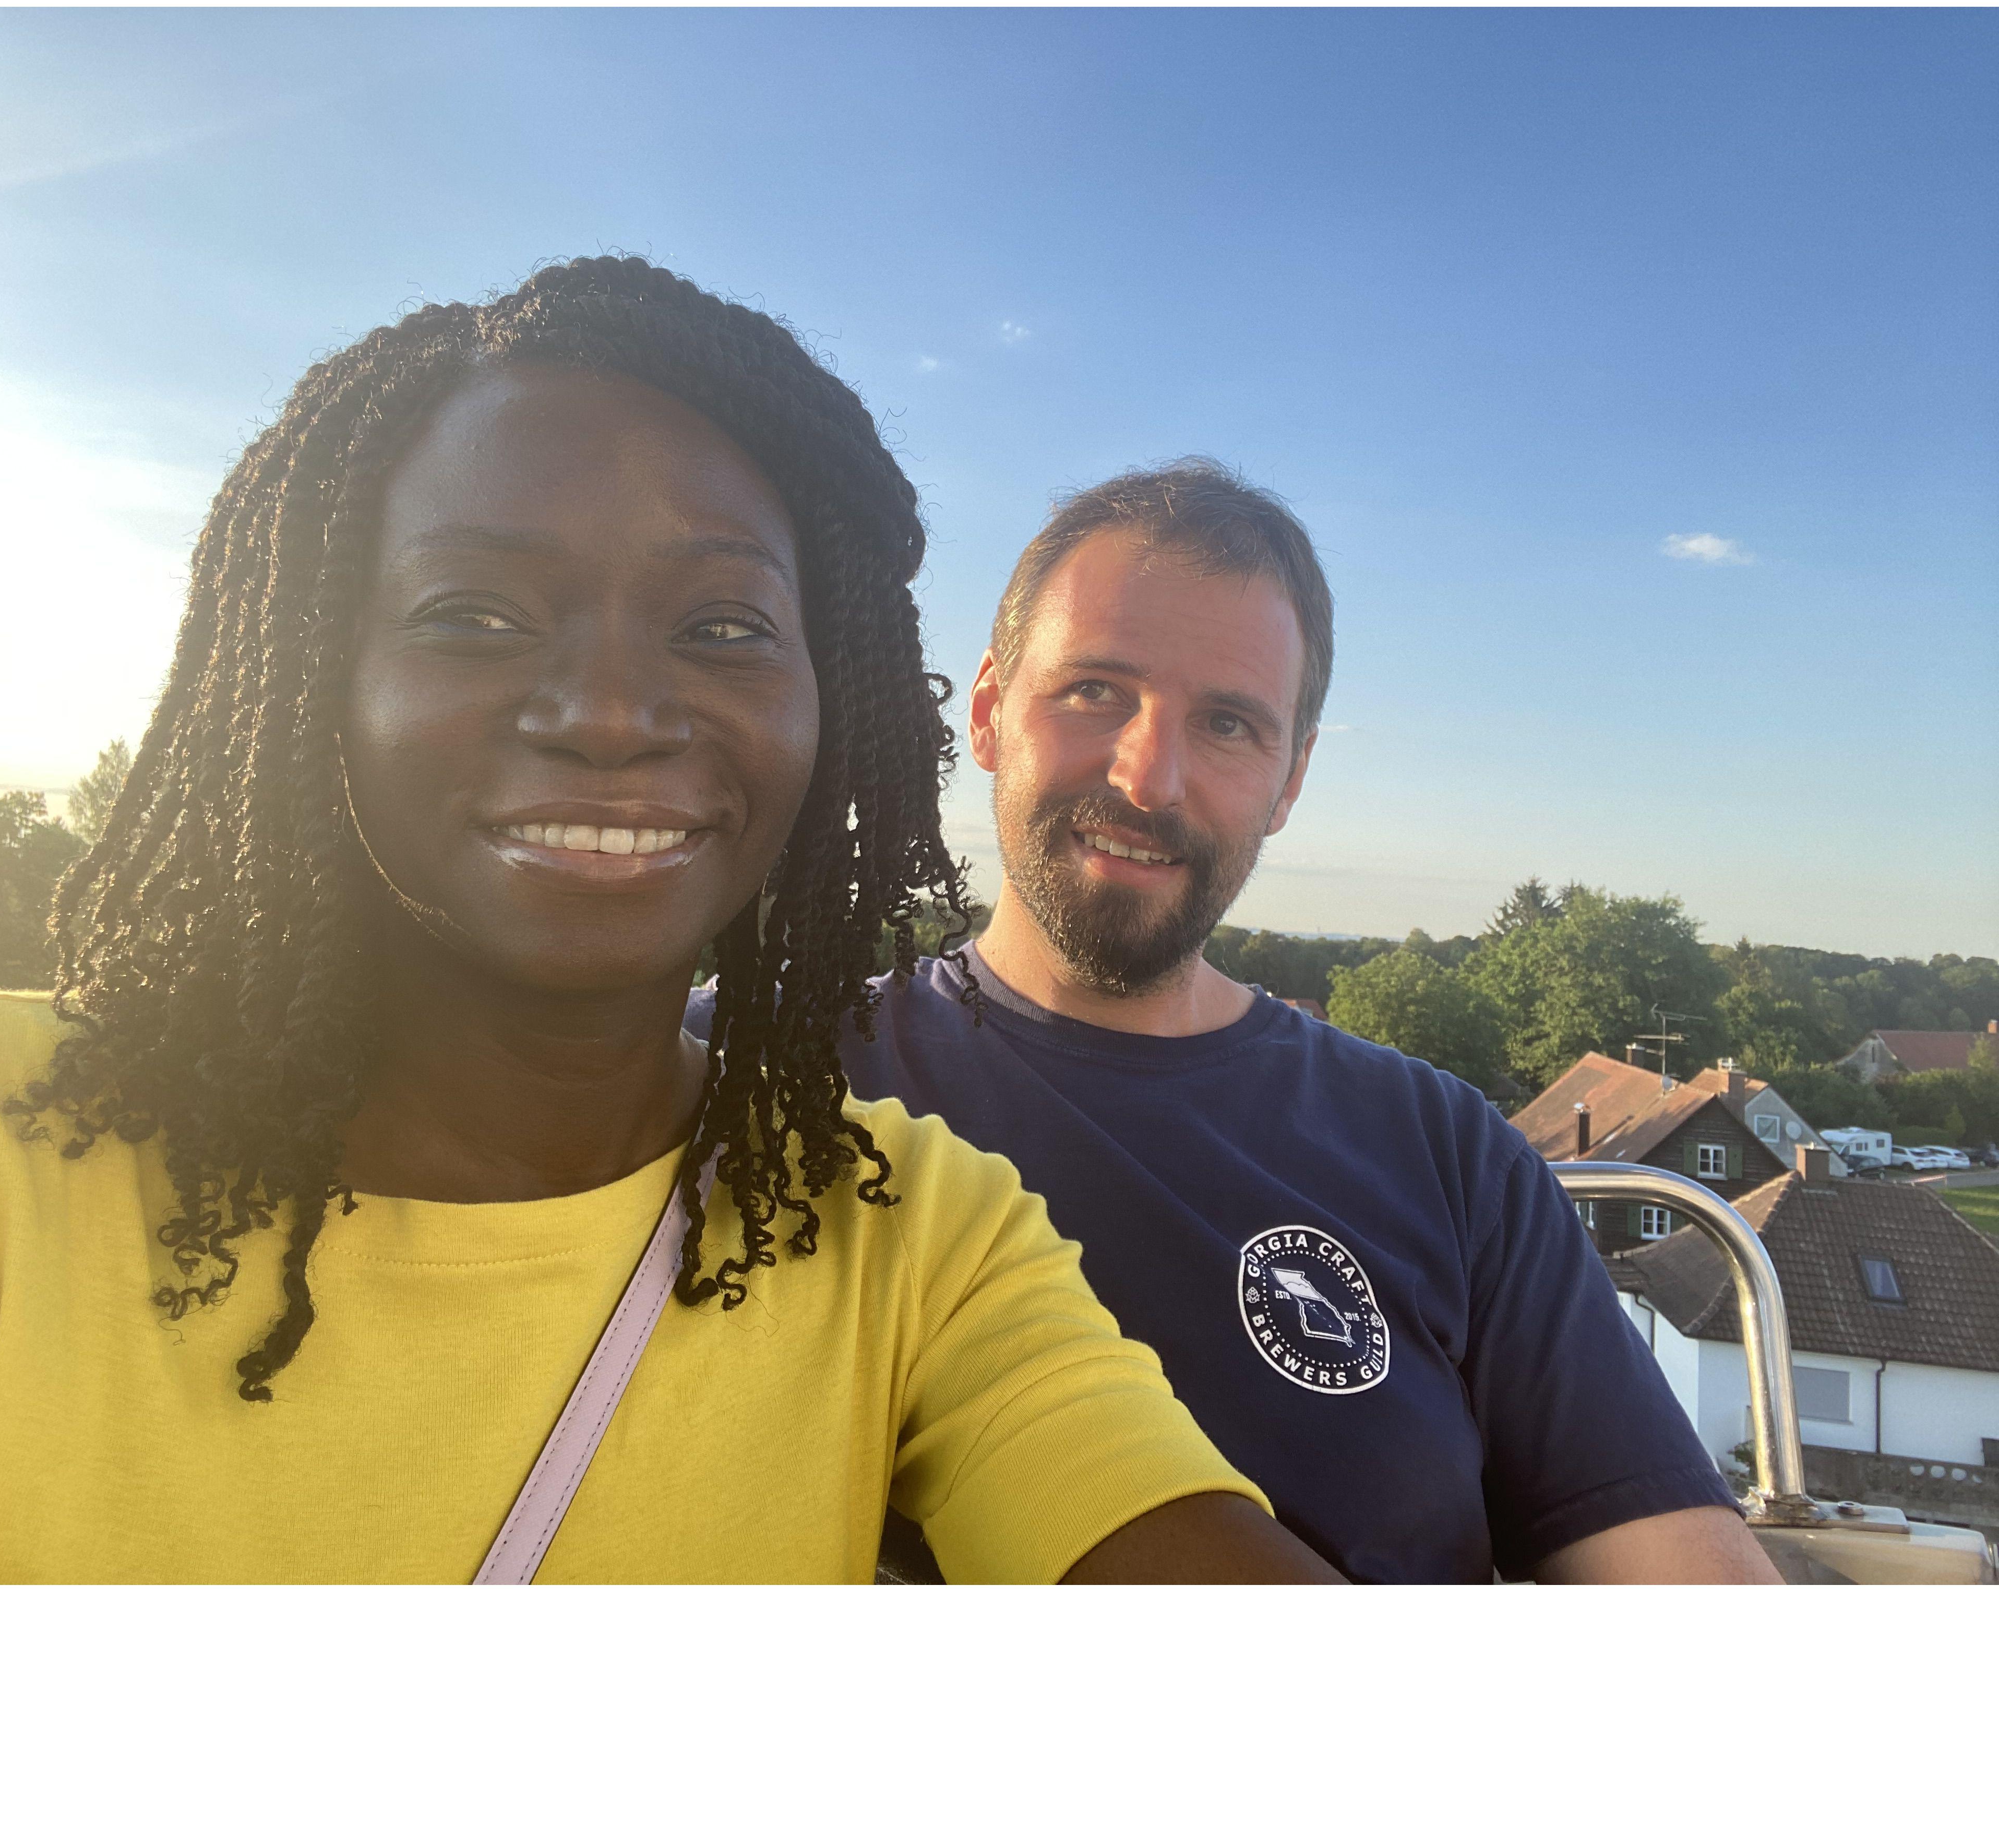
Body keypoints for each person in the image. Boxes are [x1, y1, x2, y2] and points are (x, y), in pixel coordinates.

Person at [0, 261, 1340, 1585]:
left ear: (830, 712)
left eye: (722, 629)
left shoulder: (909, 1237)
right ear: (312, 674)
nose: (604, 713)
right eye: (477, 613)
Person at [699, 460, 1780, 1583]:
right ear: (987, 712)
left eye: (1225, 723)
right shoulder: (739, 1076)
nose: (1148, 776)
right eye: (1095, 691)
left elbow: (1679, 1572)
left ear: (1290, 779)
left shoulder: (1444, 1150)